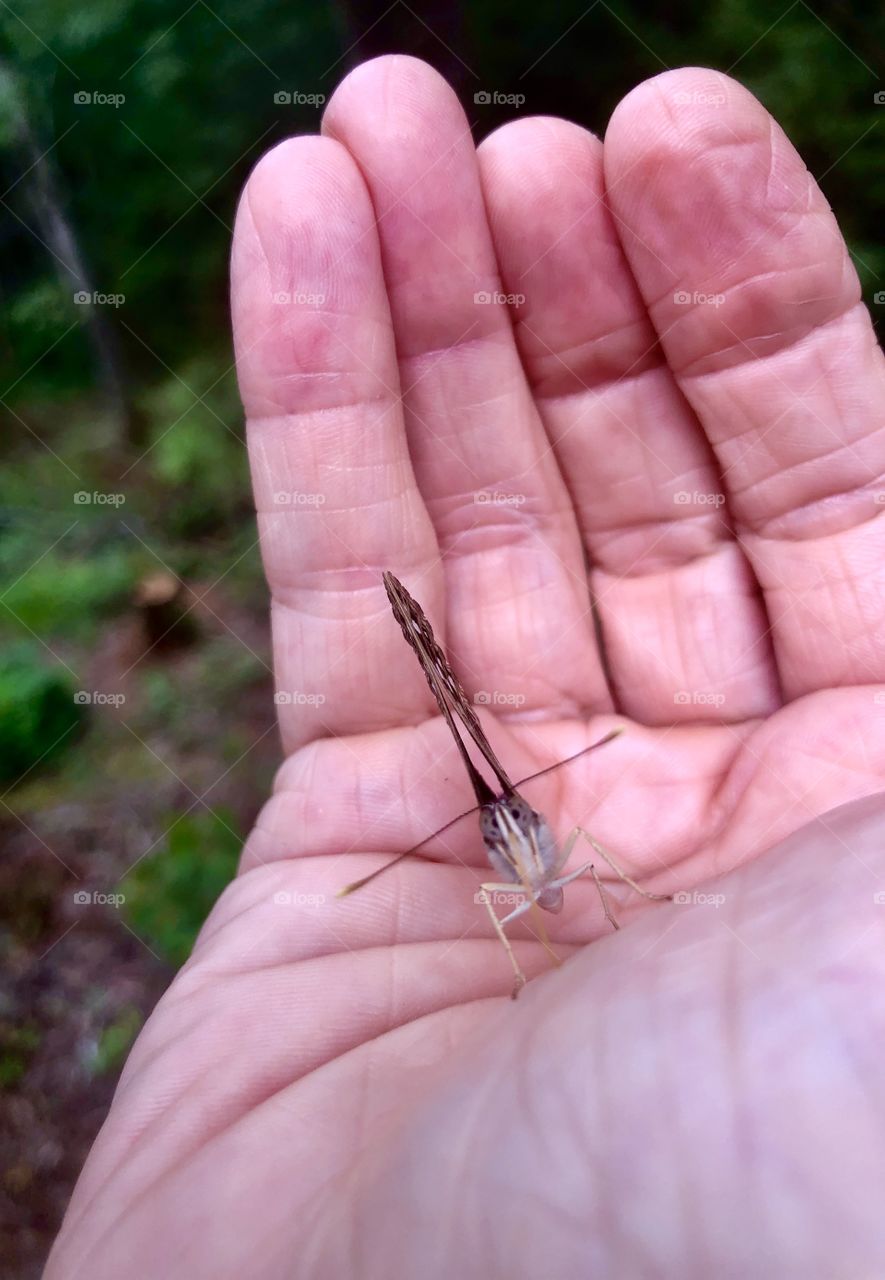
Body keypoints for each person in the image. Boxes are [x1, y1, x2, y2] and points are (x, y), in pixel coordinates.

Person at [46, 55, 885, 1278]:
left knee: (478, 747)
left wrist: (634, 913)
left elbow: (556, 865)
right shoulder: (511, 887)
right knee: (464, 737)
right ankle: (427, 651)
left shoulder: (547, 860)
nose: (528, 880)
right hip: (486, 785)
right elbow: (526, 896)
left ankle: (438, 669)